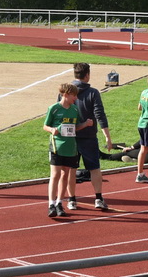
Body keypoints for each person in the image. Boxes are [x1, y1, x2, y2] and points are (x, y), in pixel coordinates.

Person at [66, 63, 112, 211]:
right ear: (87, 75)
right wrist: (107, 136)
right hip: (88, 136)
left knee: (71, 169)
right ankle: (98, 198)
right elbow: (100, 114)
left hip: (70, 137)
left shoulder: (65, 92)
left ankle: (71, 200)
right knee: (94, 168)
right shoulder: (93, 93)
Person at [43, 83, 91, 216]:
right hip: (57, 146)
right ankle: (51, 204)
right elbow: (45, 126)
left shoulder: (74, 110)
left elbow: (74, 127)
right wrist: (52, 129)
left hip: (71, 147)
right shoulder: (54, 108)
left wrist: (85, 124)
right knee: (55, 175)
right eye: (73, 95)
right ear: (65, 94)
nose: (75, 98)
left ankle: (59, 202)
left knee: (65, 175)